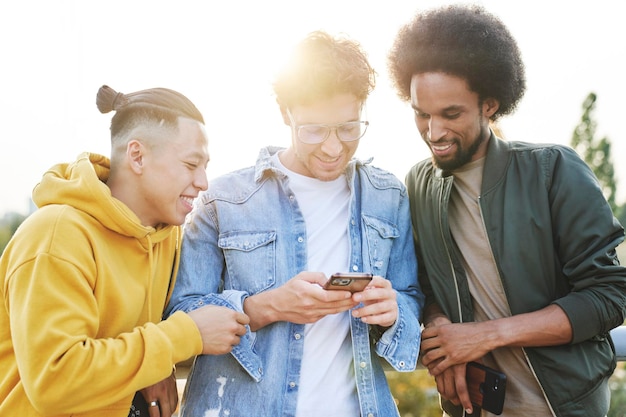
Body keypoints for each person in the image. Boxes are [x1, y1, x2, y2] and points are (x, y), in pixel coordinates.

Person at [165, 30, 424, 417]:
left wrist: (394, 310)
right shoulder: (224, 198)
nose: (333, 147)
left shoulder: (388, 195)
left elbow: (411, 297)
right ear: (285, 113)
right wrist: (267, 307)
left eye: (349, 128)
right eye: (314, 130)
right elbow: (181, 314)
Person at [387, 4, 626, 417]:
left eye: (451, 114)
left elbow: (610, 294)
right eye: (421, 114)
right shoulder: (417, 184)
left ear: (490, 105)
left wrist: (485, 336)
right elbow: (424, 282)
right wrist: (440, 328)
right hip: (470, 409)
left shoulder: (553, 170)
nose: (434, 132)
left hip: (563, 407)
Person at [0, 85, 250, 417]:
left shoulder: (167, 237)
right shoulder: (54, 237)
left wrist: (157, 368)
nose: (204, 181)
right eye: (191, 164)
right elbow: (55, 381)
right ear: (137, 156)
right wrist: (182, 337)